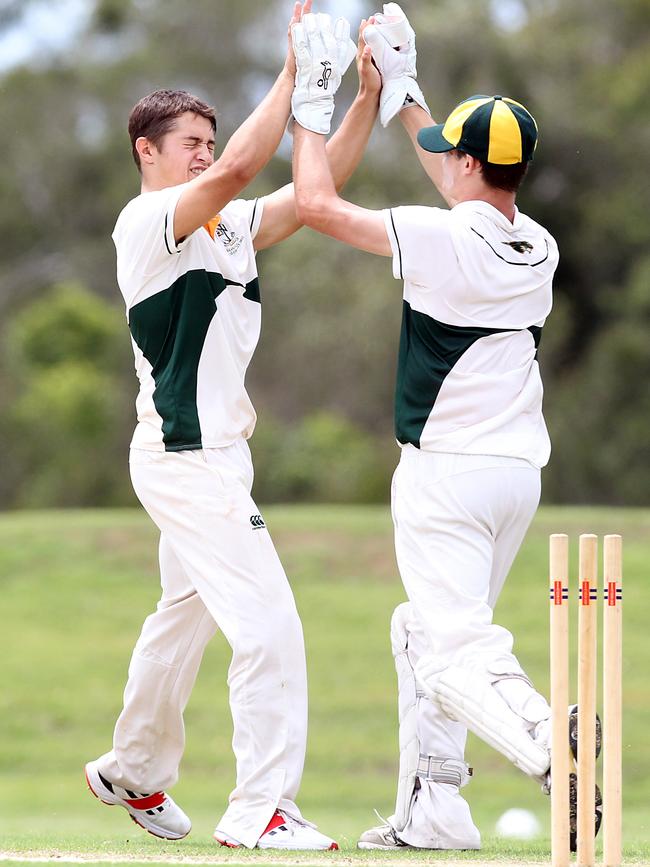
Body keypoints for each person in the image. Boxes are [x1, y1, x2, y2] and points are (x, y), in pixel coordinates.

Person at [84, 1, 380, 851]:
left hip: (212, 455)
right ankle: (262, 807)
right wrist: (294, 74)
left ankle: (131, 770)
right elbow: (251, 164)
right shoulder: (148, 223)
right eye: (191, 145)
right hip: (188, 456)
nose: (207, 156)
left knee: (184, 616)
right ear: (149, 151)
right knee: (270, 625)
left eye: (209, 144)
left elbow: (311, 192)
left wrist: (364, 95)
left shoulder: (223, 224)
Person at [290, 4, 565, 851]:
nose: (444, 161)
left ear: (471, 162)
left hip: (446, 474)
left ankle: (552, 743)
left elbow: (315, 201)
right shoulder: (540, 247)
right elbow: (457, 179)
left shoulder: (441, 238)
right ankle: (436, 808)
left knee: (453, 650)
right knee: (423, 630)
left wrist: (316, 100)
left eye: (454, 151)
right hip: (514, 477)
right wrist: (408, 91)